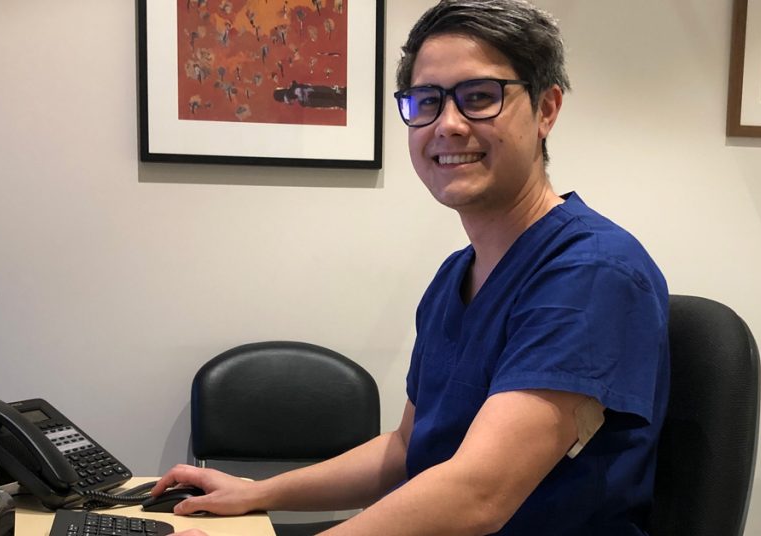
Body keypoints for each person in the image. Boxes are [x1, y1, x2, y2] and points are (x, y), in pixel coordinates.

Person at [153, 1, 669, 534]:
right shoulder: (457, 275)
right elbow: (405, 449)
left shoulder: (592, 274)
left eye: (478, 98)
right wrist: (259, 493)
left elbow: (478, 494)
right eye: (426, 101)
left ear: (546, 110)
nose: (446, 125)